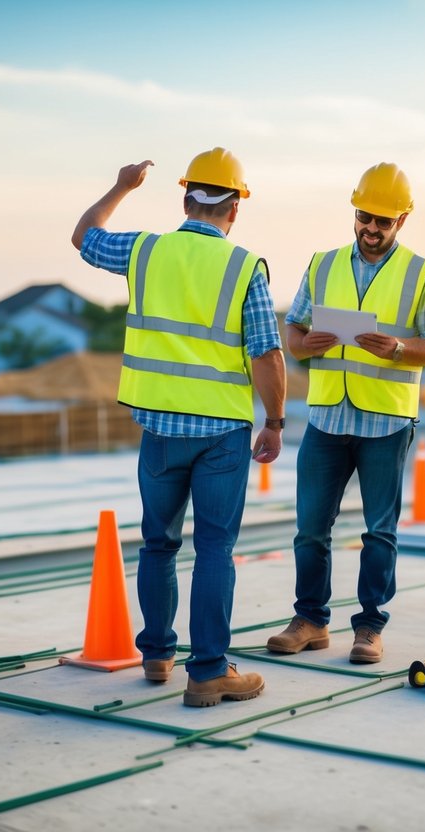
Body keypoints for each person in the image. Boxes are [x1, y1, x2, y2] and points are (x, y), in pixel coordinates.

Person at [71, 148, 286, 707]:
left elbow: (84, 237)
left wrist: (121, 186)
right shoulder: (244, 266)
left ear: (186, 197)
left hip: (159, 429)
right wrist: (275, 422)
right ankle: (209, 671)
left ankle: (158, 655)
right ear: (235, 208)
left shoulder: (145, 251)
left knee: (158, 545)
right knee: (215, 548)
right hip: (220, 434)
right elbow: (266, 354)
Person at [266, 163, 425, 664]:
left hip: (386, 422)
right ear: (355, 211)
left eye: (383, 222)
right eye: (364, 217)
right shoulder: (322, 265)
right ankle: (310, 621)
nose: (371, 229)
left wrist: (396, 348)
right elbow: (294, 334)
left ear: (402, 221)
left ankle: (369, 627)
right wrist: (308, 344)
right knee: (310, 528)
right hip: (327, 418)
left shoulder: (422, 273)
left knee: (379, 532)